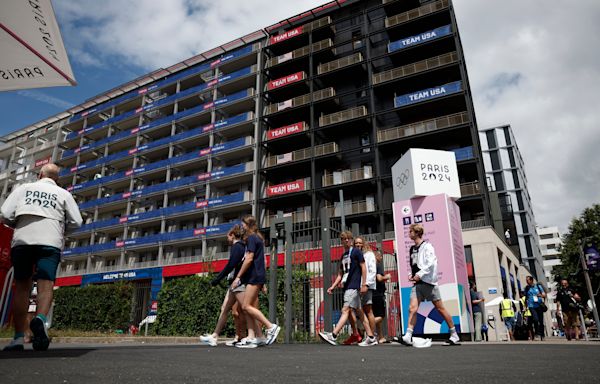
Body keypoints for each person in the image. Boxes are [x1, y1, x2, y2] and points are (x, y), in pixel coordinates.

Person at [1, 163, 83, 351]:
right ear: (57, 179)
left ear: (40, 175)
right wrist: (62, 230)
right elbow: (77, 221)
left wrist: (17, 224)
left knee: (22, 287)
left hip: (23, 241)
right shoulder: (64, 194)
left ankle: (18, 338)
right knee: (45, 286)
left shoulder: (24, 189)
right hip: (50, 242)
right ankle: (40, 319)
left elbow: (4, 213)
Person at [400, 224, 461, 346]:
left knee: (440, 308)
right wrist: (410, 274)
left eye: (411, 231)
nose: (409, 233)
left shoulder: (427, 247)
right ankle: (408, 335)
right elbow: (413, 264)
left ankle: (454, 334)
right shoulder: (412, 248)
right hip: (417, 284)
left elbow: (431, 263)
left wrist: (420, 274)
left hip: (429, 283)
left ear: (417, 233)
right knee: (412, 308)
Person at [319, 230, 377, 346]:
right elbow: (340, 273)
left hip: (354, 286)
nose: (346, 240)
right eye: (344, 239)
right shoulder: (343, 255)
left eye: (348, 238)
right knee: (360, 312)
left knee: (345, 310)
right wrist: (333, 286)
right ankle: (371, 337)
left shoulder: (356, 252)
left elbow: (364, 268)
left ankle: (334, 335)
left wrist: (364, 284)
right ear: (341, 241)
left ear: (351, 240)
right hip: (347, 286)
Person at [232, 215, 280, 348]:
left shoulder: (252, 238)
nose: (242, 227)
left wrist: (238, 277)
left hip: (254, 276)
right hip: (256, 276)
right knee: (249, 307)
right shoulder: (256, 238)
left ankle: (271, 326)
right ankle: (256, 337)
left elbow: (249, 258)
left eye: (243, 225)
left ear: (248, 225)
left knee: (246, 306)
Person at [199, 225, 247, 346]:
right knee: (225, 308)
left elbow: (230, 265)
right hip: (235, 284)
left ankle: (258, 333)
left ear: (232, 235)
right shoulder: (241, 247)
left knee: (247, 309)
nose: (227, 239)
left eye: (228, 236)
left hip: (238, 283)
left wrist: (217, 278)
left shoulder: (237, 247)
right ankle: (215, 336)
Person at [374, 250, 391, 343]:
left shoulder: (371, 266)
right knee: (381, 316)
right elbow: (379, 278)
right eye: (380, 256)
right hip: (378, 294)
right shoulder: (377, 266)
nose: (381, 258)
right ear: (377, 257)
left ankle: (380, 337)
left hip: (372, 294)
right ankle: (367, 326)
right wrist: (387, 277)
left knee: (376, 315)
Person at [524, 276, 546, 341]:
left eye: (528, 280)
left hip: (539, 305)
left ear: (531, 280)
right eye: (526, 280)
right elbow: (526, 297)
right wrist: (525, 306)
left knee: (541, 321)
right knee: (535, 319)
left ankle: (542, 334)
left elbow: (544, 295)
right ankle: (537, 333)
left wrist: (541, 295)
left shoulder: (538, 286)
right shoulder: (526, 288)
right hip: (531, 306)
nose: (527, 281)